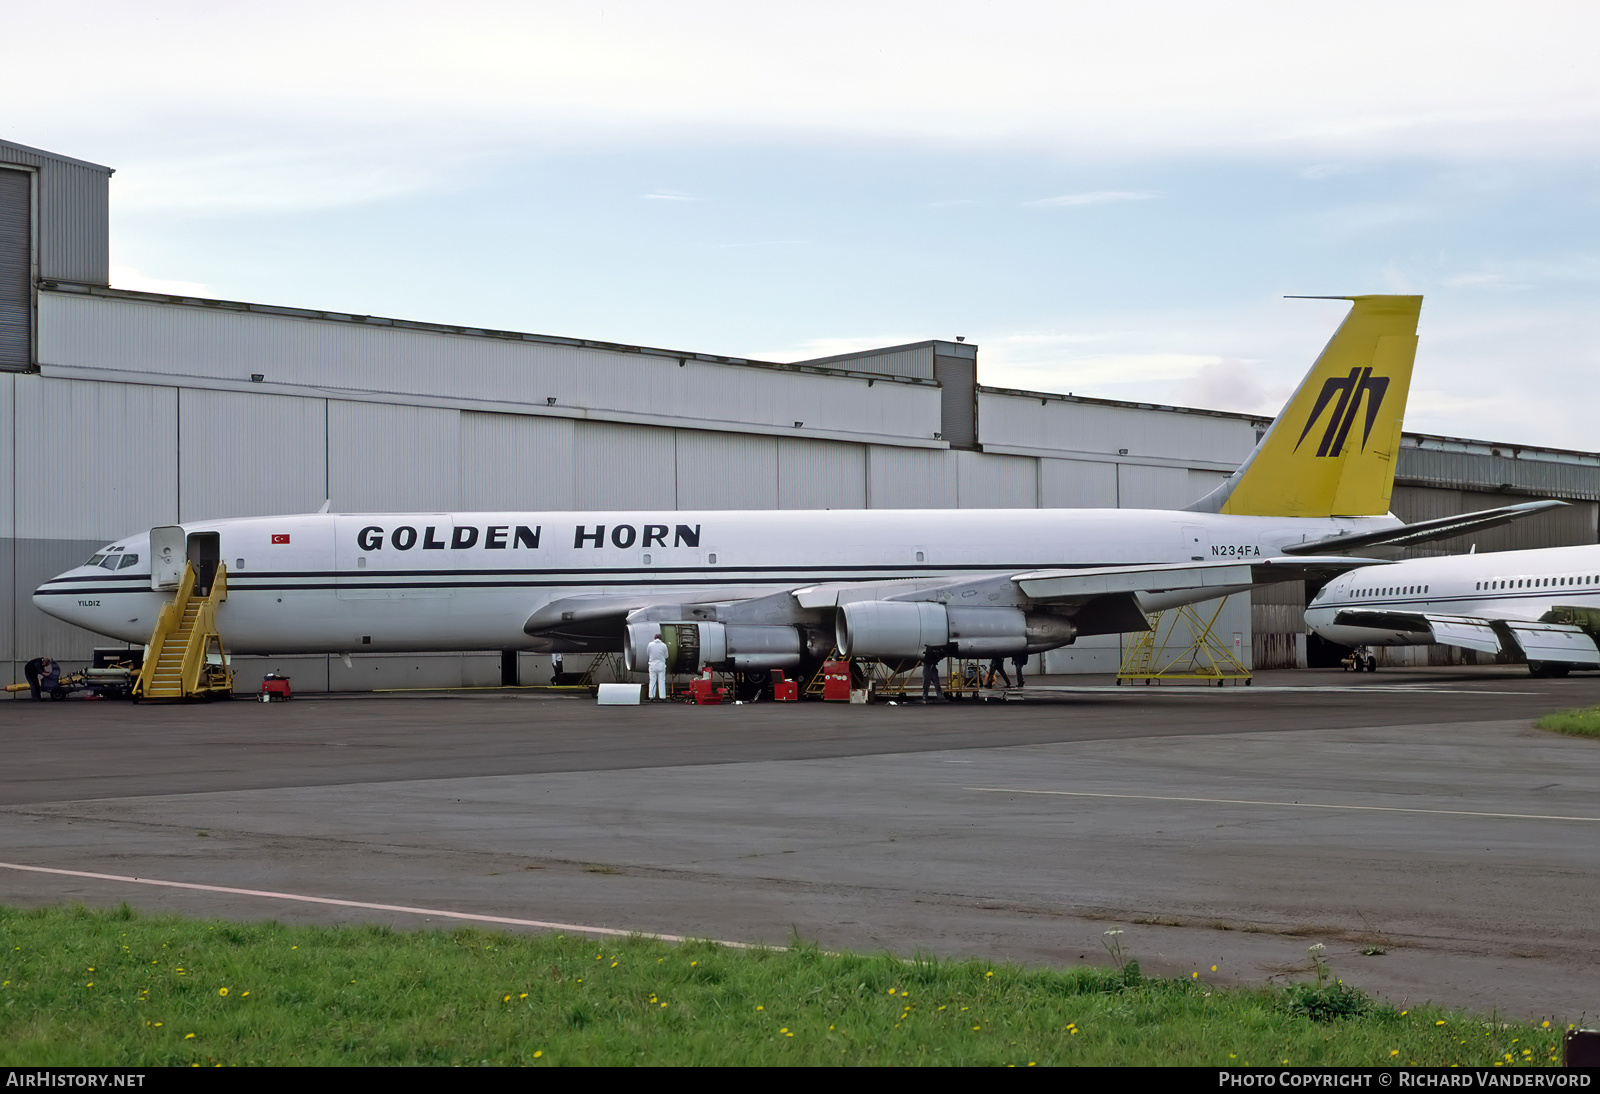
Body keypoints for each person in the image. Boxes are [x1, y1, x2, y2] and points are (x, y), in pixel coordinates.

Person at [647, 633, 669, 701]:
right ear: (661, 638)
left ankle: (652, 696)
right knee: (661, 681)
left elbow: (648, 653)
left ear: (654, 638)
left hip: (652, 664)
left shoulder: (650, 645)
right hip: (661, 664)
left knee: (652, 680)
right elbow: (666, 656)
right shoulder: (664, 645)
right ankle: (662, 696)